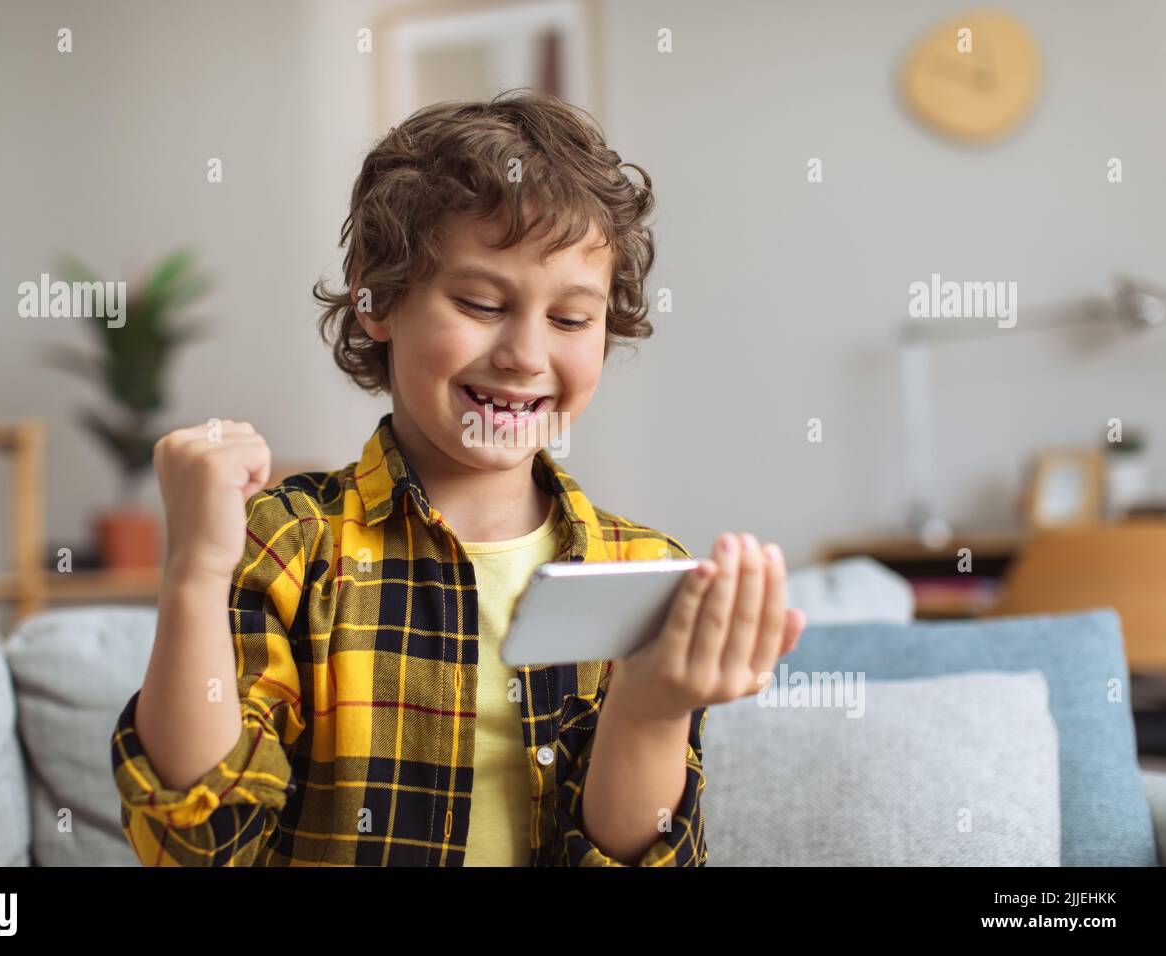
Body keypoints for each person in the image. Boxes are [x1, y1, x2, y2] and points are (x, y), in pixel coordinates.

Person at [110, 89, 806, 867]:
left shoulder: (640, 570)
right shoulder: (289, 544)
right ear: (376, 294)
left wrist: (650, 707)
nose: (524, 354)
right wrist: (195, 575)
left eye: (572, 319)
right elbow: (199, 845)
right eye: (479, 301)